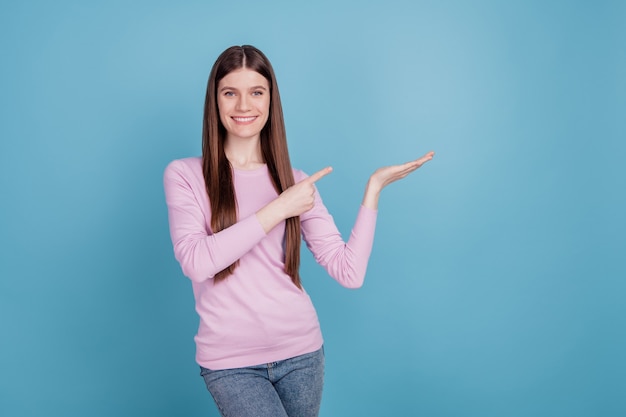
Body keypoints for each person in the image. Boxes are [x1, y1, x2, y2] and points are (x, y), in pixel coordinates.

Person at [163, 45, 434, 417]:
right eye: (231, 92)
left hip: (302, 354)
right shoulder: (185, 175)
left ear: (271, 102)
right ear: (215, 101)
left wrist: (373, 190)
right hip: (231, 362)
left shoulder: (296, 182)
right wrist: (278, 208)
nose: (244, 105)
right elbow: (196, 263)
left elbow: (349, 272)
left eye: (256, 92)